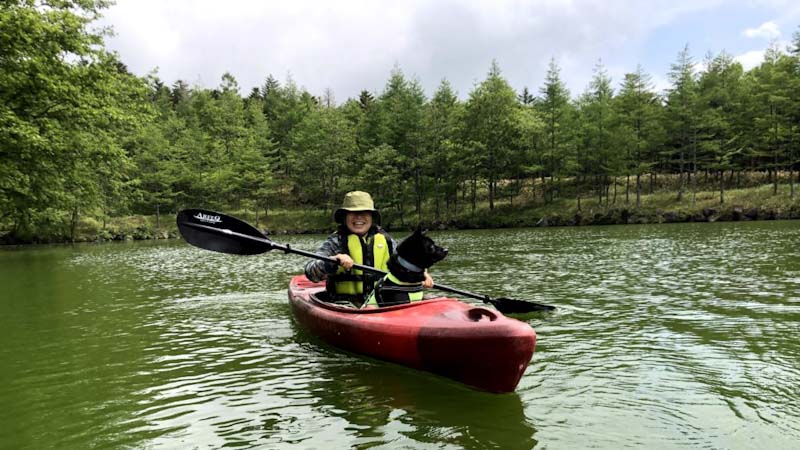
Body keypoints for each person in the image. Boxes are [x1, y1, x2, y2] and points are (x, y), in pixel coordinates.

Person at [304, 191, 432, 306]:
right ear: (345, 217)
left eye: (364, 213)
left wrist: (422, 273)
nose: (358, 217)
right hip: (344, 305)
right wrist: (332, 261)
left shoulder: (386, 240)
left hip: (381, 302)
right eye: (353, 213)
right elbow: (311, 272)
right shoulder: (336, 241)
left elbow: (406, 262)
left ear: (372, 217)